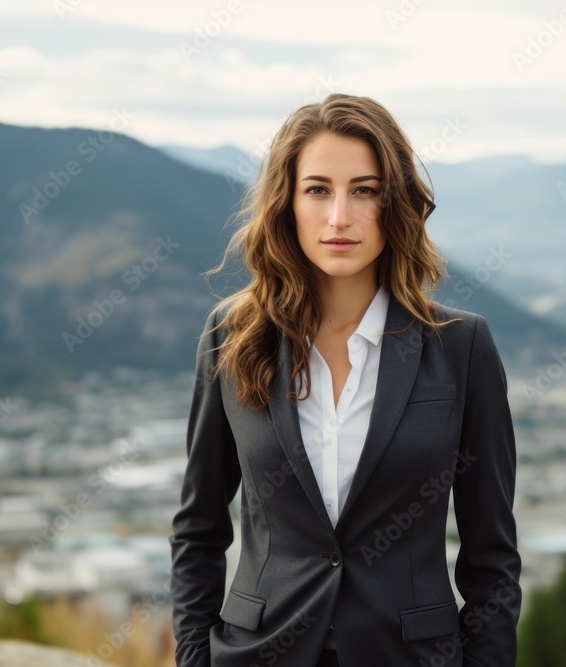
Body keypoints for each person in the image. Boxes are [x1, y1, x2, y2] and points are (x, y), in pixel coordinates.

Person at [170, 93, 521, 667]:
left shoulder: (462, 347)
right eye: (318, 190)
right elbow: (199, 528)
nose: (340, 217)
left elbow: (492, 557)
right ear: (287, 204)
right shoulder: (231, 334)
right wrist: (192, 658)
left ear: (397, 204)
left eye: (365, 190)